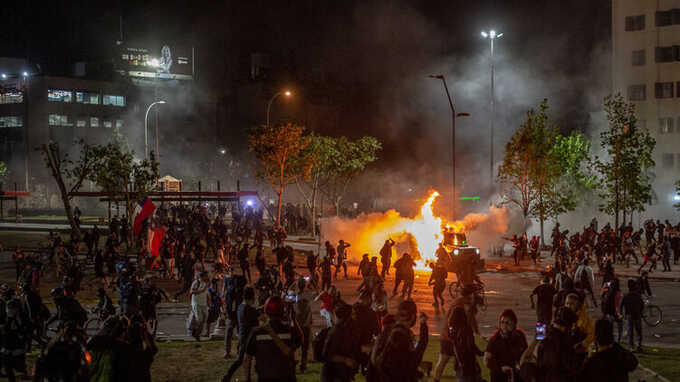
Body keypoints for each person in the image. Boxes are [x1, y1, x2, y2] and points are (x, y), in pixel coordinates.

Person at [243, 296, 302, 382]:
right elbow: (300, 340)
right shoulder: (290, 331)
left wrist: (247, 379)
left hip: (265, 377)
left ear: (266, 311)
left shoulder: (256, 332)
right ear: (282, 311)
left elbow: (247, 359)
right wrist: (294, 319)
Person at [371, 300, 428, 382]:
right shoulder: (400, 336)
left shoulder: (389, 330)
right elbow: (413, 361)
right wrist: (423, 327)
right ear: (412, 317)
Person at [222, 287, 260, 382]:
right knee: (248, 359)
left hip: (243, 337)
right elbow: (258, 318)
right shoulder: (249, 310)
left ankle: (229, 376)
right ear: (252, 297)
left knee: (242, 360)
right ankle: (228, 376)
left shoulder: (240, 307)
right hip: (249, 339)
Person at [534, 307, 582, 382]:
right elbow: (571, 368)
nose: (573, 328)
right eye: (572, 326)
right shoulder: (564, 343)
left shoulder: (545, 340)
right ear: (567, 326)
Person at [321, 302, 361, 382]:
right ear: (346, 317)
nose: (355, 316)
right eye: (352, 314)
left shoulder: (351, 330)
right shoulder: (336, 332)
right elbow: (327, 355)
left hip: (343, 373)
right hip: (332, 374)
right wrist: (346, 360)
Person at [485, 309, 527, 382]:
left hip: (517, 374)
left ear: (514, 323)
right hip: (500, 376)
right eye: (502, 322)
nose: (504, 325)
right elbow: (487, 361)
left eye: (507, 323)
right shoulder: (494, 340)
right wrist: (500, 368)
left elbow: (526, 353)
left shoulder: (520, 336)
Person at [449, 306, 484, 382]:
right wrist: (480, 352)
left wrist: (460, 363)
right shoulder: (466, 329)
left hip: (458, 363)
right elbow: (471, 345)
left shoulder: (452, 329)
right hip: (469, 362)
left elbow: (456, 347)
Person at [620, 279, 644, 352]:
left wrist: (621, 314)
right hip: (637, 315)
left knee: (630, 332)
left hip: (629, 315)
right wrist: (640, 311)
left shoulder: (626, 295)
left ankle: (631, 347)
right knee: (638, 332)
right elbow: (642, 305)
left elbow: (621, 306)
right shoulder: (638, 295)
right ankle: (639, 346)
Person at [188, 271, 209, 341]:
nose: (207, 277)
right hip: (196, 303)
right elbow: (191, 292)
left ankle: (196, 331)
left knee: (205, 318)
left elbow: (207, 293)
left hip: (204, 303)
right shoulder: (196, 282)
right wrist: (201, 291)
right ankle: (197, 334)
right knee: (199, 319)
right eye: (206, 276)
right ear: (202, 276)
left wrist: (209, 302)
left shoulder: (206, 283)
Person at [600, 278, 623, 343]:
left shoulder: (607, 290)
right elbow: (617, 305)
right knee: (619, 326)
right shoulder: (617, 292)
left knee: (609, 327)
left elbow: (601, 294)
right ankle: (617, 339)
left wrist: (606, 285)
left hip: (607, 312)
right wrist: (618, 314)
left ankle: (610, 339)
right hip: (613, 312)